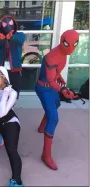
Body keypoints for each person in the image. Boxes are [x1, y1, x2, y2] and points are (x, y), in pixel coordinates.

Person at [35, 30, 79, 170]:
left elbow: (54, 73)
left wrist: (58, 76)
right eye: (67, 44)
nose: (71, 48)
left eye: (75, 44)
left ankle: (42, 126)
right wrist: (63, 90)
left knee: (56, 104)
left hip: (51, 86)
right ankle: (45, 155)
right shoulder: (53, 57)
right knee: (53, 118)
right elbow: (49, 80)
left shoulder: (63, 53)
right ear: (62, 41)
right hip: (44, 87)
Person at [0, 16, 25, 98]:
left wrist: (11, 36)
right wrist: (3, 38)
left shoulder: (20, 35)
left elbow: (20, 40)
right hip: (1, 69)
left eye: (10, 23)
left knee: (14, 91)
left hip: (14, 68)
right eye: (5, 24)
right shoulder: (0, 36)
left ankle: (11, 108)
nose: (7, 26)